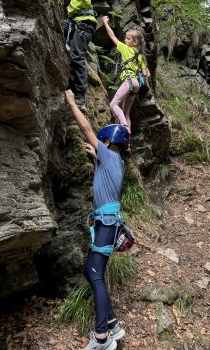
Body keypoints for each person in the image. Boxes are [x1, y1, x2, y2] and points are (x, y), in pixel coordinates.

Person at [65, 89, 129, 350]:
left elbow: (86, 127)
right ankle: (113, 324)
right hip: (108, 221)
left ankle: (102, 337)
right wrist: (96, 156)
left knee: (94, 274)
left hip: (106, 223)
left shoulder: (108, 156)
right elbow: (105, 174)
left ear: (108, 142)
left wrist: (71, 103)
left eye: (102, 142)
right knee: (93, 272)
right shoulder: (116, 161)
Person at [102, 15, 149, 134]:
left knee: (113, 104)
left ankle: (123, 127)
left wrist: (105, 23)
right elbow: (145, 74)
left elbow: (112, 35)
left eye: (128, 38)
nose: (125, 40)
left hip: (129, 80)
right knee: (125, 112)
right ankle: (127, 141)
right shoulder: (140, 56)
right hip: (136, 85)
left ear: (134, 42)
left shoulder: (125, 48)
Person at [63, 0, 97, 107]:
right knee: (67, 53)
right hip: (73, 22)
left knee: (77, 56)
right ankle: (70, 88)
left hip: (83, 23)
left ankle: (80, 96)